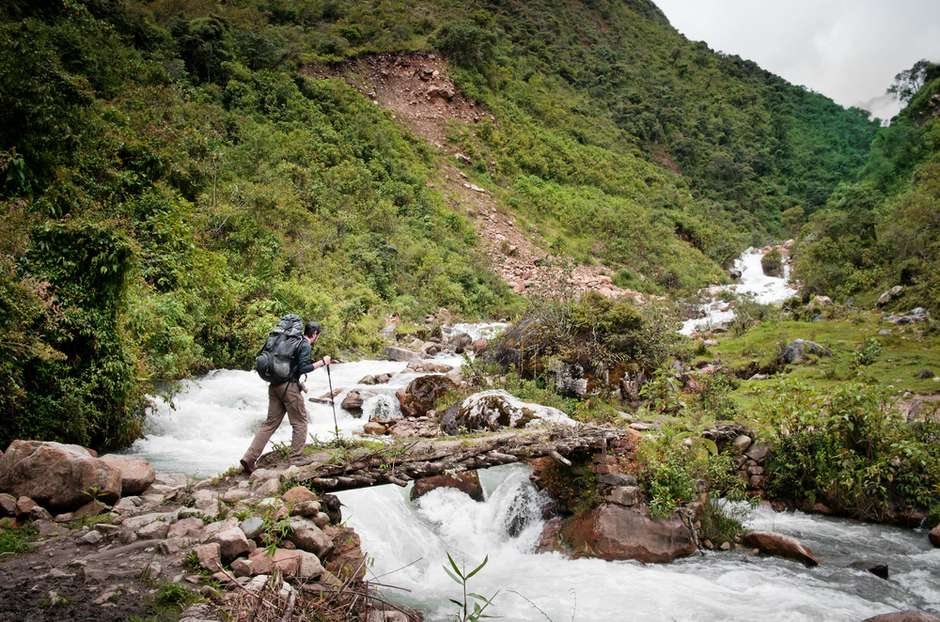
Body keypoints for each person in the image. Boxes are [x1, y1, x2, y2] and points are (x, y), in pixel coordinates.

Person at [240, 320, 331, 473]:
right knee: (300, 421)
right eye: (318, 335)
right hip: (288, 388)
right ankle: (296, 458)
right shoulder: (305, 345)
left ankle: (249, 458)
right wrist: (322, 362)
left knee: (270, 424)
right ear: (315, 334)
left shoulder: (289, 342)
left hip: (274, 385)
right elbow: (303, 368)